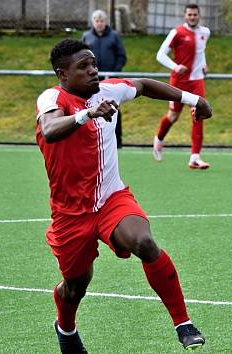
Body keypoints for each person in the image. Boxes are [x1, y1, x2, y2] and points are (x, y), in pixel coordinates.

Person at [36, 38, 212, 353]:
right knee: (75, 286)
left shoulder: (109, 90)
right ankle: (66, 329)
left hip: (112, 199)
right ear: (63, 75)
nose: (93, 70)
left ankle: (183, 323)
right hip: (70, 213)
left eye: (93, 63)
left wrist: (193, 99)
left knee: (144, 241)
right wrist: (87, 115)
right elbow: (50, 129)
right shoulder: (52, 97)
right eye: (83, 67)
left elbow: (143, 85)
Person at [153, 3, 211, 169]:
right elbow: (160, 55)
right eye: (190, 15)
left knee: (198, 115)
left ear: (199, 15)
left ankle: (195, 157)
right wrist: (175, 67)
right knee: (173, 116)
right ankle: (158, 139)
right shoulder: (177, 32)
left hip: (197, 80)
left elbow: (201, 51)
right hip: (179, 81)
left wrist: (204, 65)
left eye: (195, 14)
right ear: (185, 16)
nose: (192, 17)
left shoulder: (205, 32)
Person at [81, 9, 127, 148]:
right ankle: (90, 139)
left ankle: (117, 140)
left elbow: (121, 56)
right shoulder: (87, 36)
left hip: (110, 78)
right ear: (93, 22)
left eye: (101, 21)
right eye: (97, 21)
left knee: (113, 107)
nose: (99, 24)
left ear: (105, 22)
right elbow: (80, 56)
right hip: (91, 79)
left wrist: (114, 72)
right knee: (89, 107)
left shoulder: (114, 36)